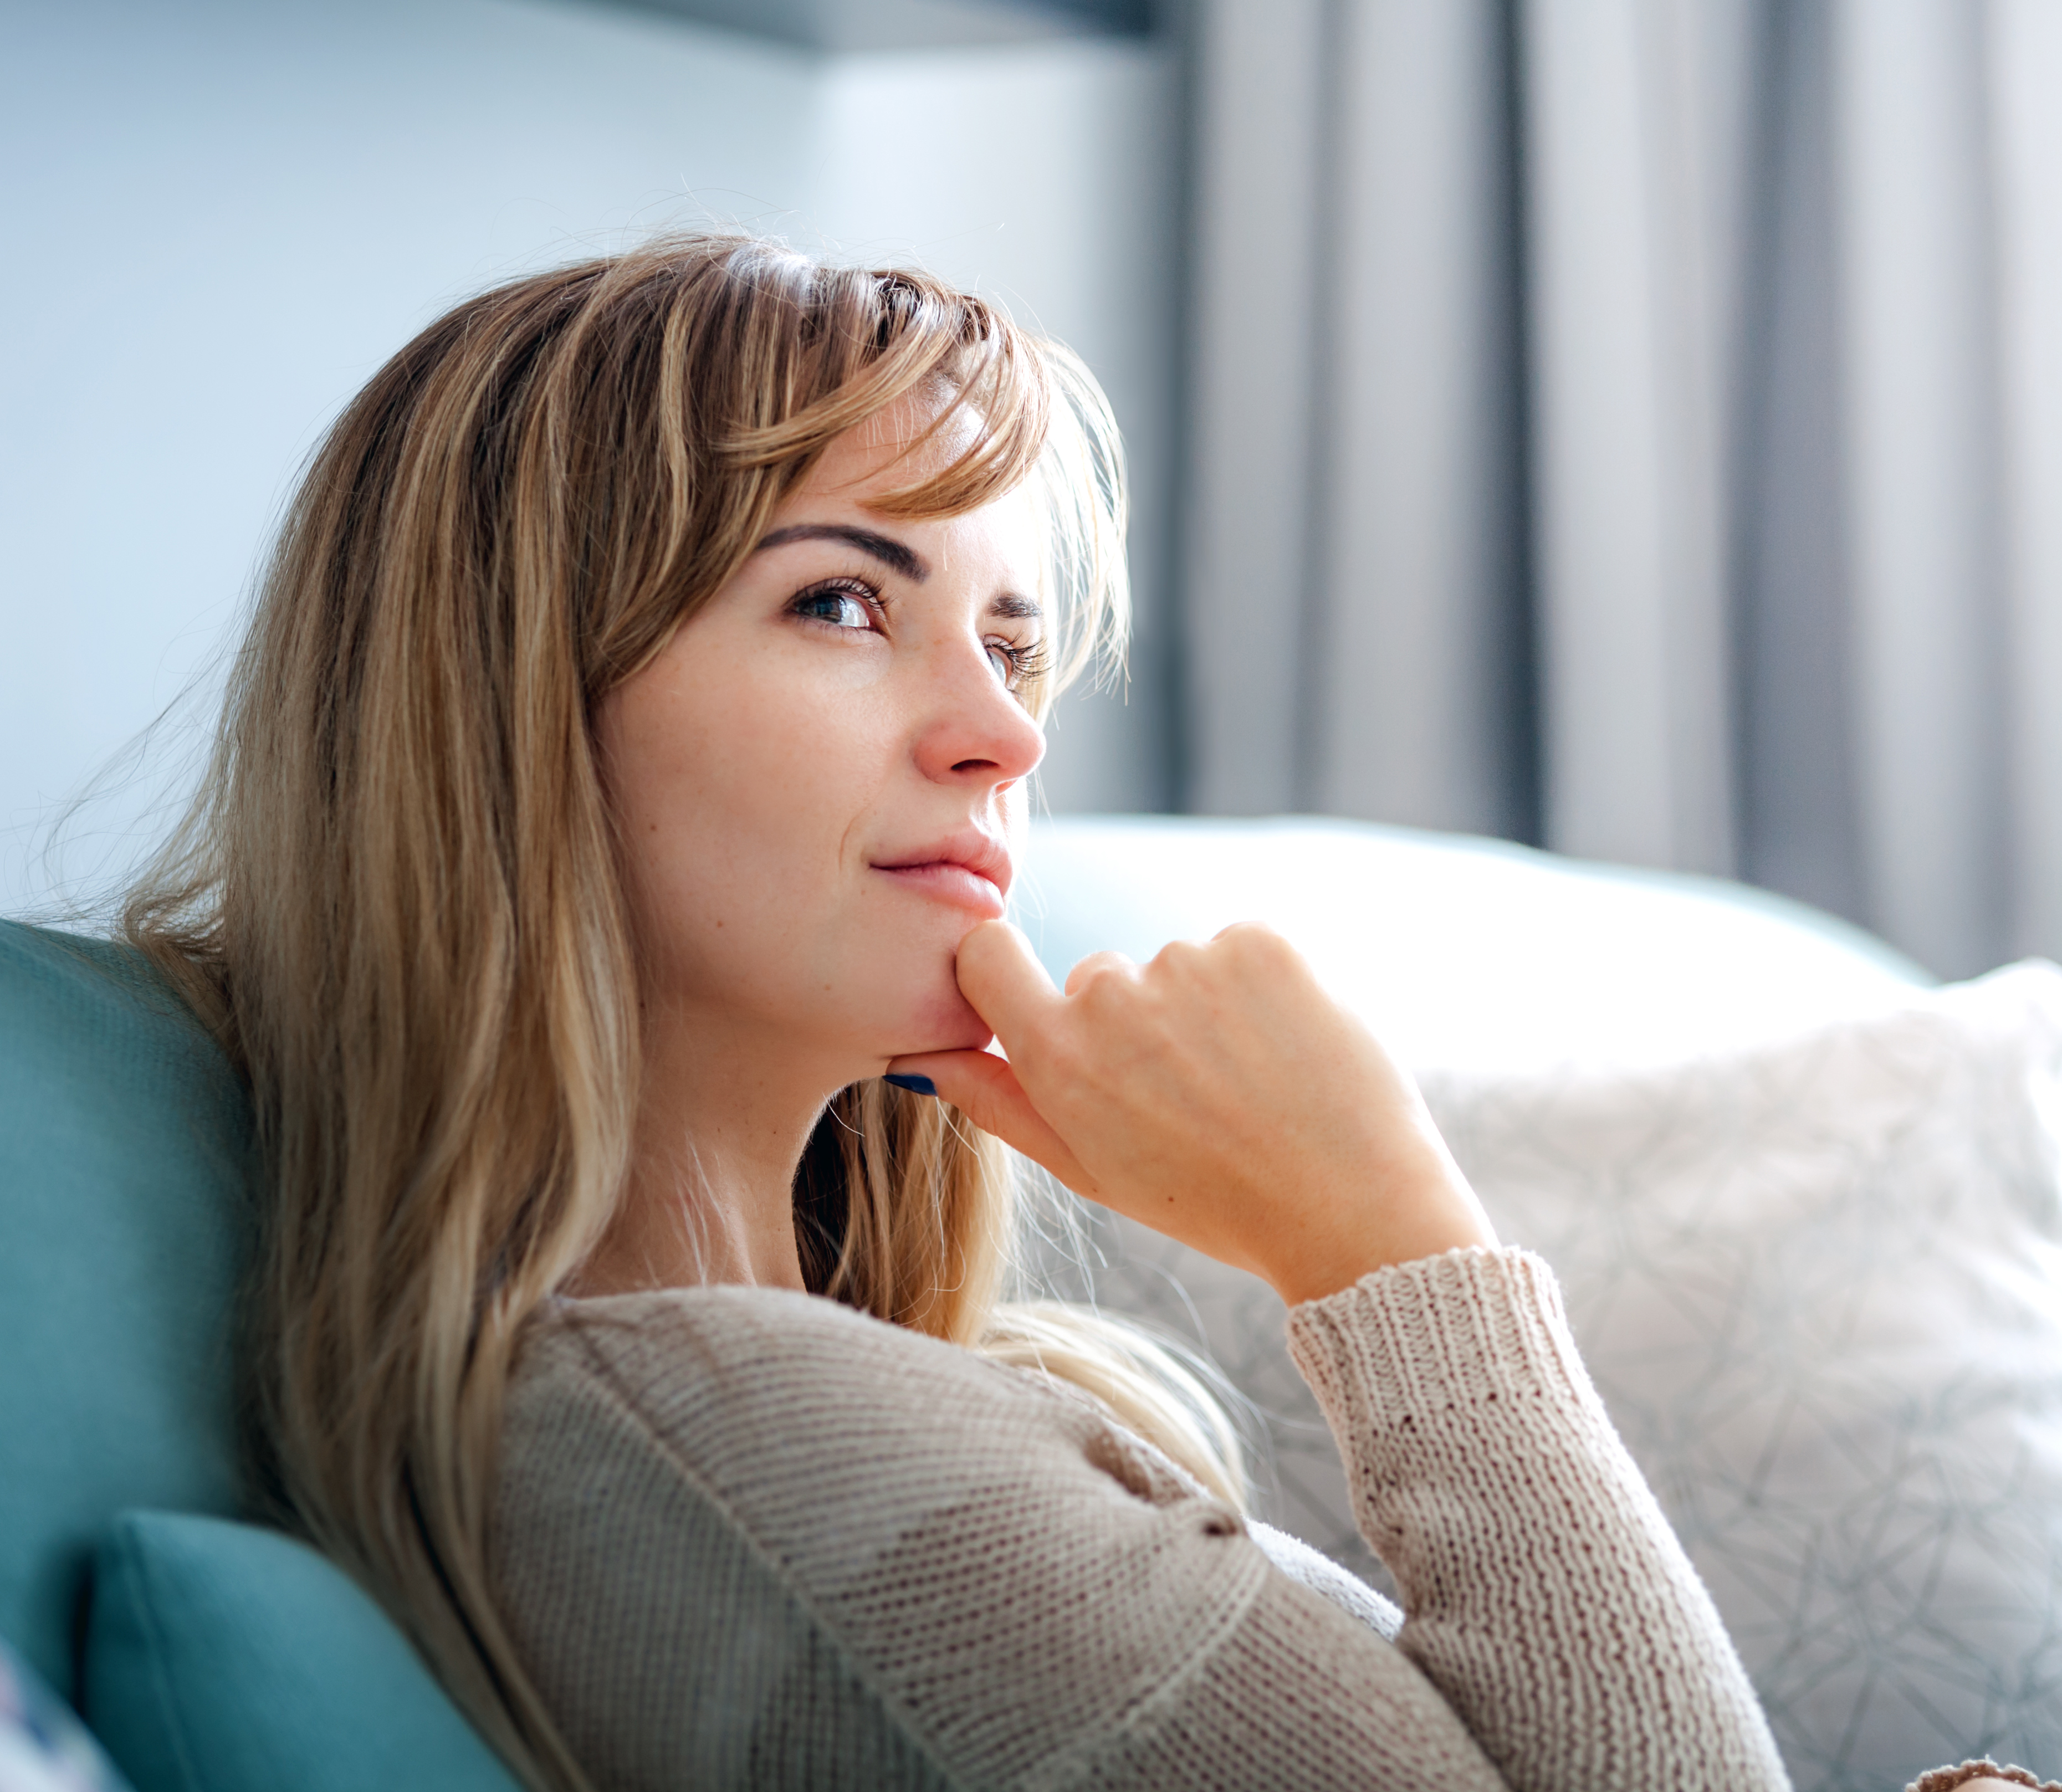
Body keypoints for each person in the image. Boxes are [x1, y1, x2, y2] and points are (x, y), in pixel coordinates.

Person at [122, 233, 2045, 1792]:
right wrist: (1385, 1233)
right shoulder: (736, 1441)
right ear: (511, 700)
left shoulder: (859, 1389)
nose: (1005, 731)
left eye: (1014, 637)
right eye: (842, 605)